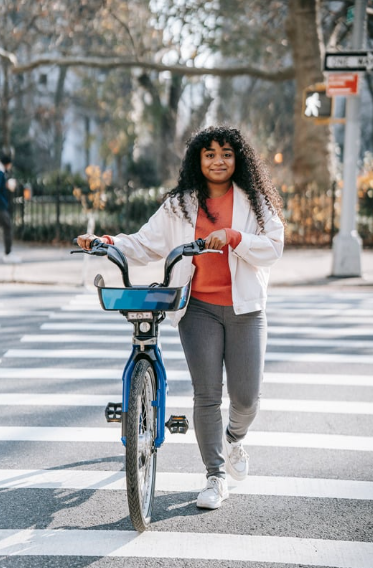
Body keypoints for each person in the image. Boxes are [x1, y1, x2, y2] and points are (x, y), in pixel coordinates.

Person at [77, 125, 284, 510]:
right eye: (209, 154)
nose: (218, 160)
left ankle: (234, 439)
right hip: (198, 308)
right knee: (207, 394)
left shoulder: (255, 201)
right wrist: (108, 242)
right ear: (198, 160)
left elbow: (274, 246)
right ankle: (214, 476)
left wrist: (234, 238)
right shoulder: (182, 204)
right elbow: (145, 242)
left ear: (237, 158)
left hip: (246, 309)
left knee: (246, 397)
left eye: (225, 153)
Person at [0, 154, 20, 263]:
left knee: (6, 227)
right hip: (1, 207)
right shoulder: (0, 172)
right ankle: (8, 253)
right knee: (7, 227)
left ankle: (8, 252)